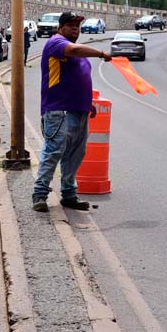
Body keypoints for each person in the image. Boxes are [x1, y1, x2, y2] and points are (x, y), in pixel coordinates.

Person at [32, 11, 112, 212]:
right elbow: (75, 50)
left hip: (79, 110)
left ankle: (68, 194)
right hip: (59, 110)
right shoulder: (57, 42)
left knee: (75, 154)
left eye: (77, 25)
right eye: (70, 25)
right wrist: (101, 53)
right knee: (54, 151)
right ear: (60, 28)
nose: (75, 28)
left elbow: (78, 78)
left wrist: (87, 102)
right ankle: (40, 194)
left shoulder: (77, 52)